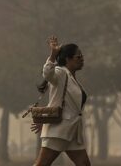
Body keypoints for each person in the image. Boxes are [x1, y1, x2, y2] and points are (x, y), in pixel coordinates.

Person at [31, 35, 90, 166]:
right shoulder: (61, 73)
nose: (82, 59)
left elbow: (64, 104)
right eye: (78, 57)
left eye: (82, 56)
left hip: (73, 131)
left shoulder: (72, 78)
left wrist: (46, 122)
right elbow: (47, 73)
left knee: (85, 164)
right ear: (68, 59)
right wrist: (52, 55)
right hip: (59, 130)